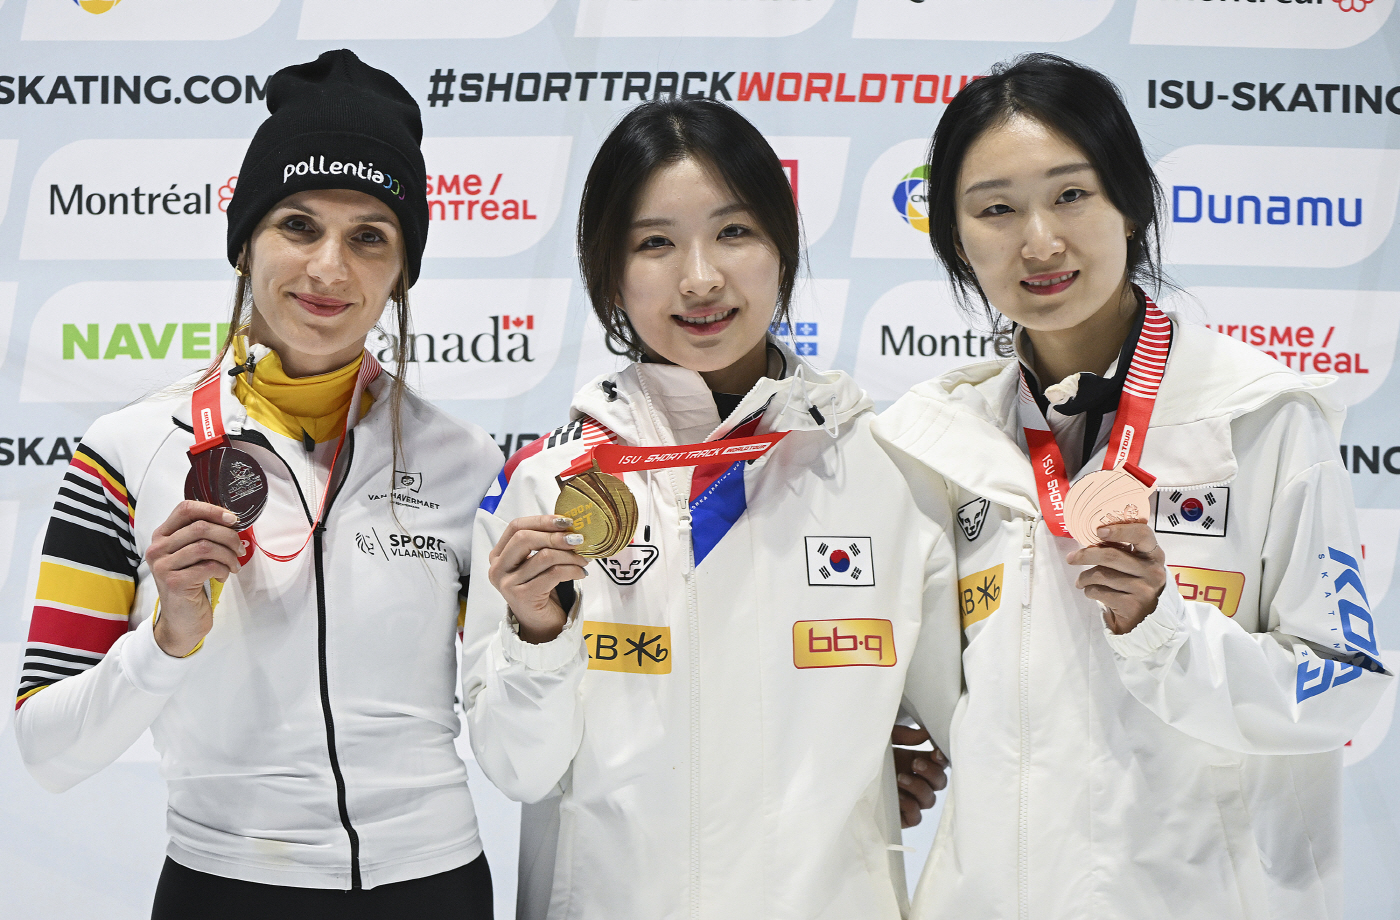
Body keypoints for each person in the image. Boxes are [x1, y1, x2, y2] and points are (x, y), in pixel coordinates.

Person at [873, 53, 1393, 920]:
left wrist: (1165, 632)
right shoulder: (937, 442)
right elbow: (933, 696)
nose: (1039, 241)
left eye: (1070, 195)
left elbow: (1345, 685)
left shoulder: (1258, 418)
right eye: (996, 210)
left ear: (1133, 202)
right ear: (957, 242)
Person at [12, 50, 501, 919]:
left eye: (369, 237)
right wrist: (169, 637)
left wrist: (548, 632)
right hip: (223, 885)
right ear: (245, 243)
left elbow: (510, 731)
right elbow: (46, 749)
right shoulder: (124, 453)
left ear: (401, 275)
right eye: (298, 225)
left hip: (435, 883)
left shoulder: (468, 463)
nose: (327, 269)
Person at [460, 98, 962, 919]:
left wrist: (875, 755)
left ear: (782, 250)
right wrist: (538, 637)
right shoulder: (551, 488)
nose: (700, 277)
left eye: (734, 232)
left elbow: (980, 724)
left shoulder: (891, 471)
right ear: (609, 272)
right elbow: (517, 768)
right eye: (655, 242)